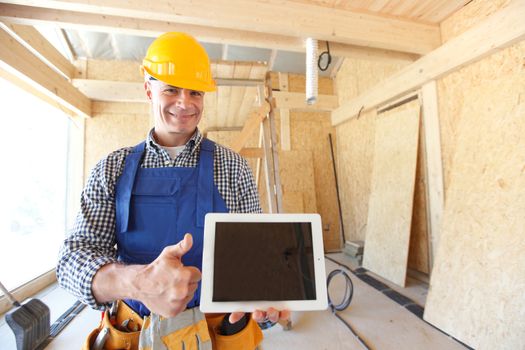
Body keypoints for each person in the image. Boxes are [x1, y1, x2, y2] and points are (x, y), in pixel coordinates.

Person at [57, 32, 289, 349]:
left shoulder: (233, 167)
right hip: (135, 330)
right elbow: (72, 260)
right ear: (148, 90)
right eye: (171, 90)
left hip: (218, 329)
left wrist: (264, 298)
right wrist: (137, 282)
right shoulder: (112, 168)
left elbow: (254, 255)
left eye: (195, 92)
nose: (185, 102)